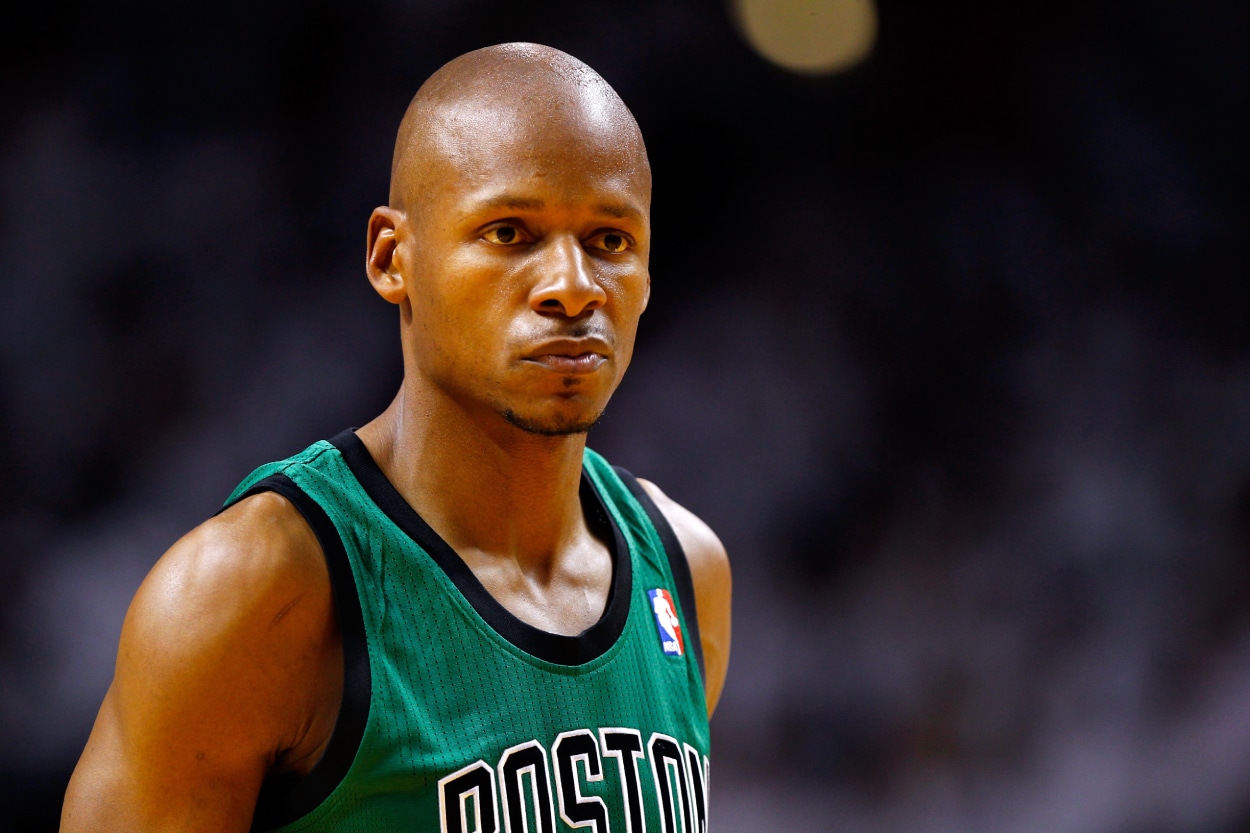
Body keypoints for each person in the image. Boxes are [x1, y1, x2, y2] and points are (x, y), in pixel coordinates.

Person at [61, 42, 731, 833]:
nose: (572, 286)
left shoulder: (687, 568)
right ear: (391, 257)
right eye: (510, 231)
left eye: (609, 241)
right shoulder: (254, 591)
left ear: (649, 274)